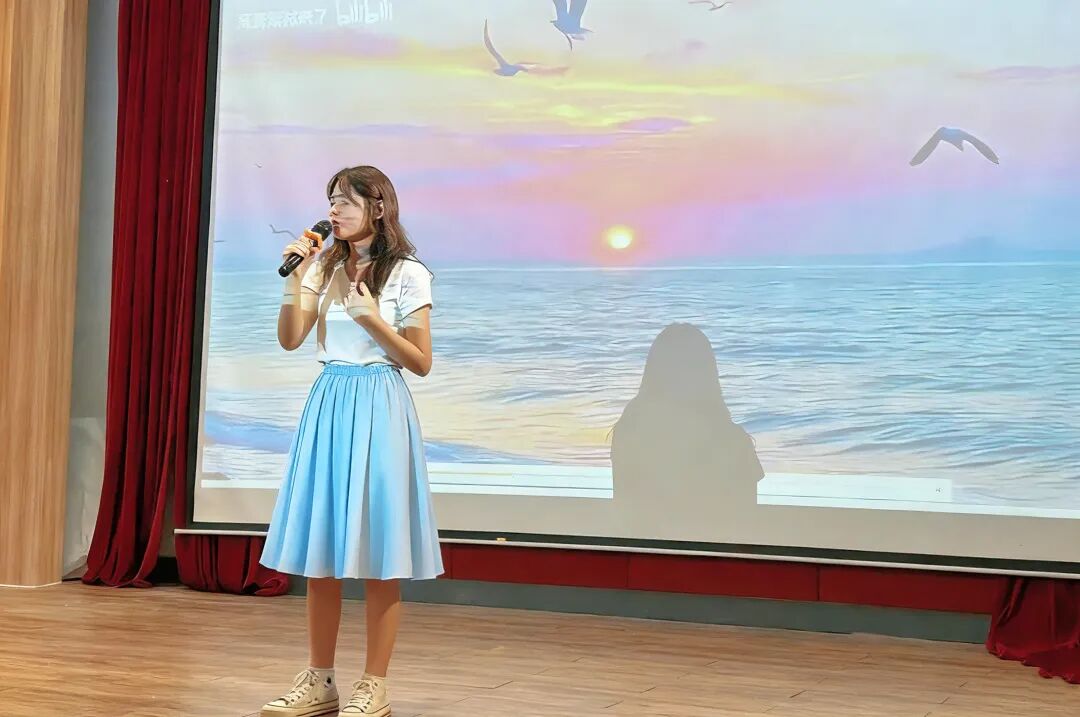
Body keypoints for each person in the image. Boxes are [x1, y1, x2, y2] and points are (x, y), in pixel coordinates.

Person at [258, 166, 443, 717]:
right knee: (322, 551)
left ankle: (374, 685)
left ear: (378, 208)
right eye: (332, 201)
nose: (334, 211)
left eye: (346, 201)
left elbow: (421, 362)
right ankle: (319, 680)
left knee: (380, 552)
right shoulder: (323, 266)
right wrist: (297, 278)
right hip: (329, 399)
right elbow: (291, 339)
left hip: (380, 401)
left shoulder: (408, 272)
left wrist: (372, 321)